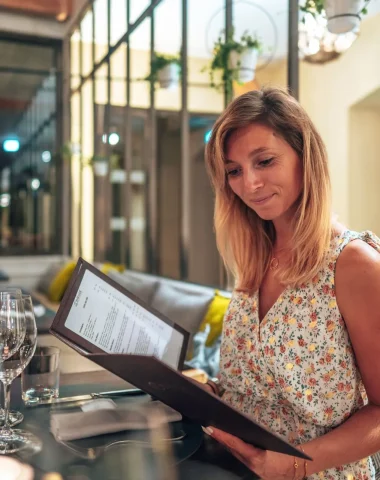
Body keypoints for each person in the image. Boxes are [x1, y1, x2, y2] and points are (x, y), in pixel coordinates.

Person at [201, 86, 380, 480]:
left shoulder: (353, 264)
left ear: (305, 157)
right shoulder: (256, 258)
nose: (249, 184)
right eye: (234, 171)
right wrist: (205, 393)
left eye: (264, 161)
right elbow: (260, 386)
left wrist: (295, 464)